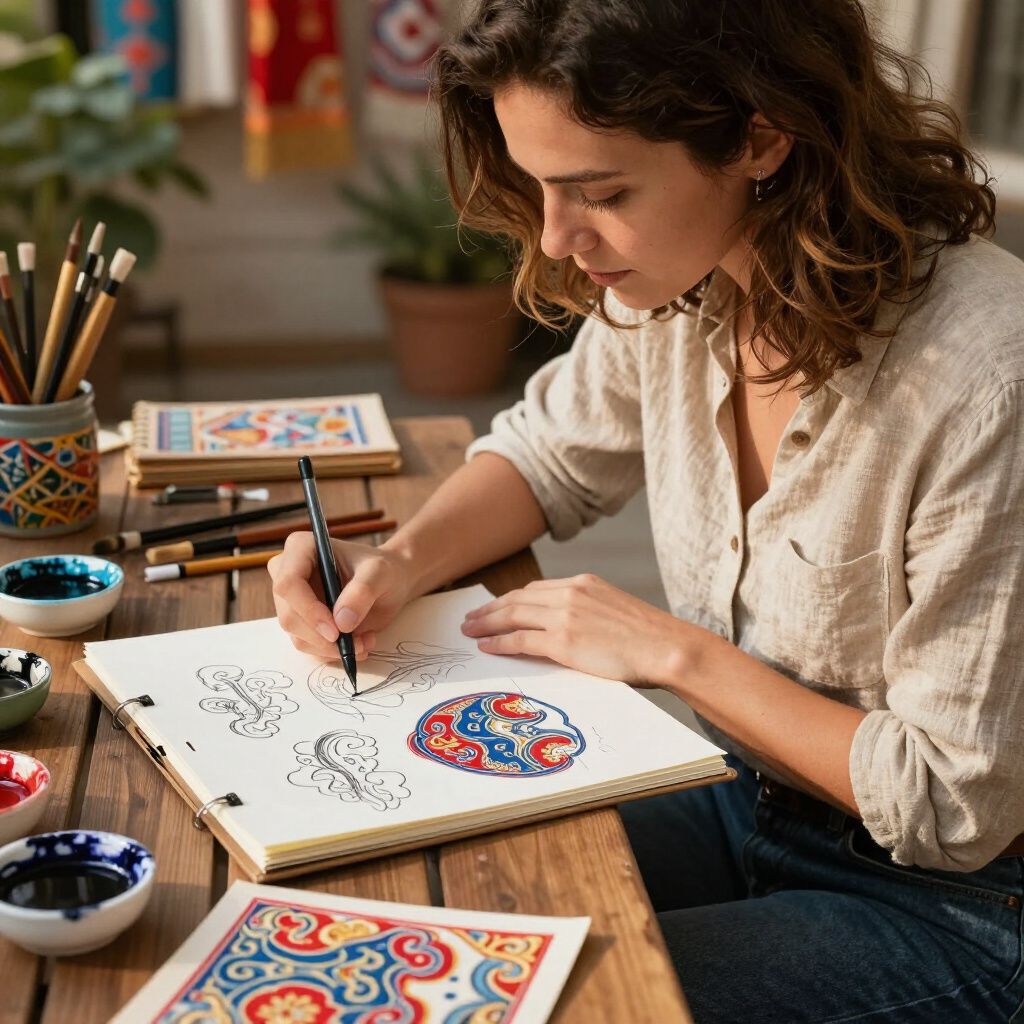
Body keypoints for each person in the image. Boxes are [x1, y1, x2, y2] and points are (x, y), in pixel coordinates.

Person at [269, 2, 1024, 1020]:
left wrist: (675, 654)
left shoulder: (987, 378)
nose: (554, 235)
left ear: (760, 137)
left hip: (957, 903)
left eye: (602, 191)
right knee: (401, 894)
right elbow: (547, 455)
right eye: (540, 186)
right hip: (745, 798)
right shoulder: (684, 284)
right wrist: (396, 563)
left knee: (531, 1001)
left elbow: (948, 800)